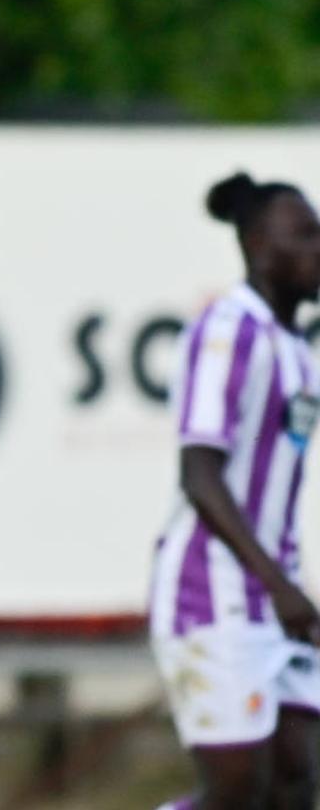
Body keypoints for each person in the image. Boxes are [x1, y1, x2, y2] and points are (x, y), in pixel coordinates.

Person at [150, 172, 320, 810]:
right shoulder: (228, 329)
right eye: (303, 234)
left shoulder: (296, 347)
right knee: (236, 793)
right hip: (212, 595)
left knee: (296, 780)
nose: (317, 246)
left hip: (278, 601)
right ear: (255, 244)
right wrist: (280, 587)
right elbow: (199, 473)